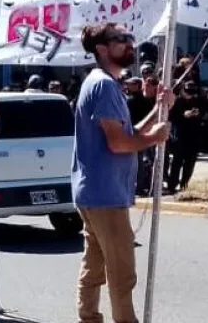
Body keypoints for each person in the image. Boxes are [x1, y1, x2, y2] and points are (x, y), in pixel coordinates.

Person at [73, 23, 172, 323]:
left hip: (94, 192)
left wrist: (157, 110)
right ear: (102, 49)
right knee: (121, 274)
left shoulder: (103, 83)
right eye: (120, 40)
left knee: (94, 265)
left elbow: (128, 133)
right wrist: (155, 138)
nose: (129, 44)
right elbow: (119, 143)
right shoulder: (103, 85)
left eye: (130, 38)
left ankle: (88, 318)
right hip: (104, 194)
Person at [166, 81, 205, 193]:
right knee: (176, 162)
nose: (190, 94)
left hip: (194, 136)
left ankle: (184, 184)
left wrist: (198, 114)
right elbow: (171, 117)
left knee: (190, 163)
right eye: (188, 91)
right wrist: (183, 115)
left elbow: (204, 113)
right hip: (180, 136)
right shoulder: (177, 101)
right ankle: (172, 185)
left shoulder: (197, 101)